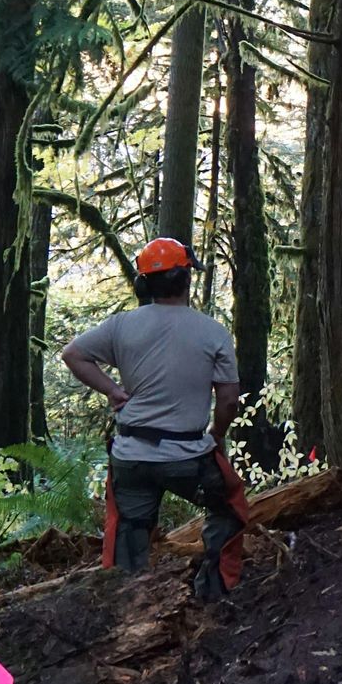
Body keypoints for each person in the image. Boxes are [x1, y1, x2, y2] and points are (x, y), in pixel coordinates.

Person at [61, 238, 250, 601]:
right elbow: (228, 400)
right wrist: (218, 435)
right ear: (187, 280)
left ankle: (122, 603)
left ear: (143, 284)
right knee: (230, 504)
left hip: (131, 455)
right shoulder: (212, 332)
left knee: (127, 530)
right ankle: (215, 592)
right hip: (189, 458)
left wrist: (113, 391)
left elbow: (73, 354)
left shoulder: (121, 326)